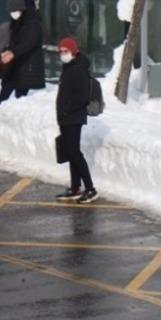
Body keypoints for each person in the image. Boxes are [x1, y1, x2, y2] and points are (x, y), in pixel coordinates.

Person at [0, 0, 45, 135]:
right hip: (15, 65)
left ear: (21, 9)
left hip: (28, 66)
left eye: (14, 11)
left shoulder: (33, 23)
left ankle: (17, 131)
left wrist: (12, 52)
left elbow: (30, 42)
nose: (12, 14)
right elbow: (14, 41)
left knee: (20, 98)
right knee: (4, 92)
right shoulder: (16, 22)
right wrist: (8, 51)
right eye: (10, 11)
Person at [54, 37, 97, 204]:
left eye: (66, 51)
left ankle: (90, 188)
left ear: (73, 51)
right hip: (66, 118)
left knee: (75, 154)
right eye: (61, 52)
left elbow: (82, 97)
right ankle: (75, 187)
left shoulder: (78, 69)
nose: (63, 54)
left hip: (73, 117)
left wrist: (66, 109)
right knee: (71, 153)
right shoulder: (69, 67)